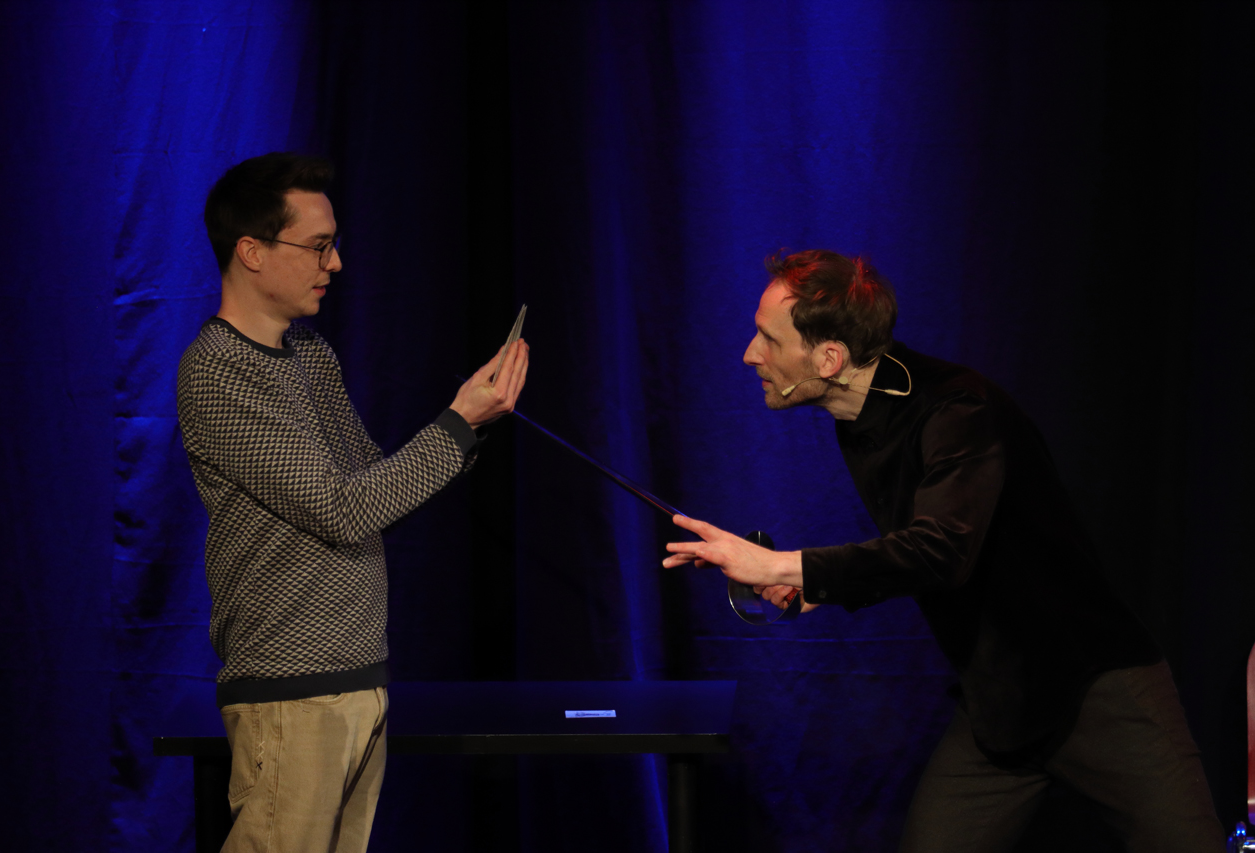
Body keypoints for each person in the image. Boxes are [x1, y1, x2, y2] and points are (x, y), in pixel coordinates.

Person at [663, 249, 1222, 852]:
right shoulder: (859, 418)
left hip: (1096, 691)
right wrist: (814, 587)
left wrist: (777, 565)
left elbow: (942, 551)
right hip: (997, 703)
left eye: (769, 339)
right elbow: (921, 547)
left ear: (828, 359)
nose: (751, 354)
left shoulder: (958, 409)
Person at [176, 152, 528, 853]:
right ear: (252, 251)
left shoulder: (310, 355)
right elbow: (343, 510)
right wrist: (458, 422)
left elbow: (376, 486)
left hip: (357, 680)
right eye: (318, 246)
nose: (334, 263)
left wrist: (471, 425)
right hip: (291, 690)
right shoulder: (218, 370)